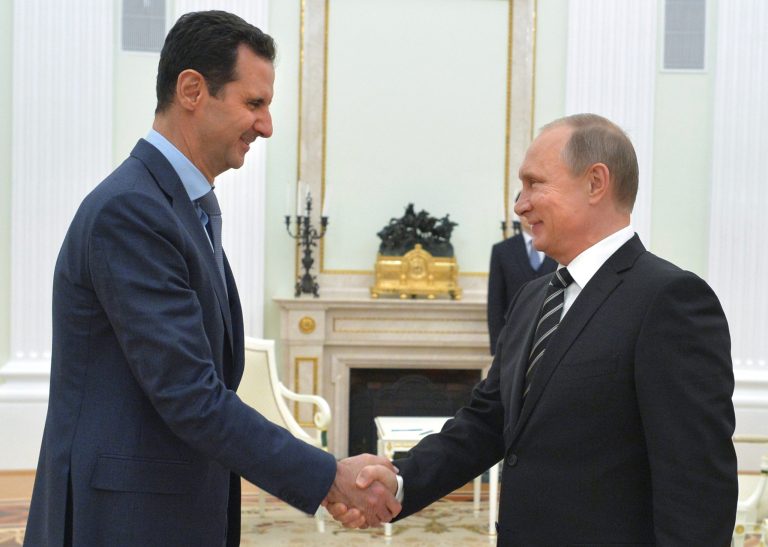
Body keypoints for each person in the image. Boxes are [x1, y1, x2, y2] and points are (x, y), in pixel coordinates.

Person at [24, 11, 398, 546]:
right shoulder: (133, 211)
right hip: (124, 522)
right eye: (254, 103)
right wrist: (328, 476)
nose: (266, 126)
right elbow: (189, 393)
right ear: (192, 90)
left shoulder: (179, 207)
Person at [331, 113, 738, 545]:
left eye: (534, 184)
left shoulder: (669, 300)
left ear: (595, 183)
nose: (520, 205)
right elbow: (487, 422)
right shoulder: (532, 298)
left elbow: (697, 488)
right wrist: (400, 482)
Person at [487, 202, 556, 355]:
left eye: (535, 208)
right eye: (525, 210)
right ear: (518, 214)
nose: (530, 214)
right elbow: (495, 302)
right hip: (514, 336)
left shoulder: (558, 246)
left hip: (551, 336)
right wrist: (497, 348)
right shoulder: (502, 250)